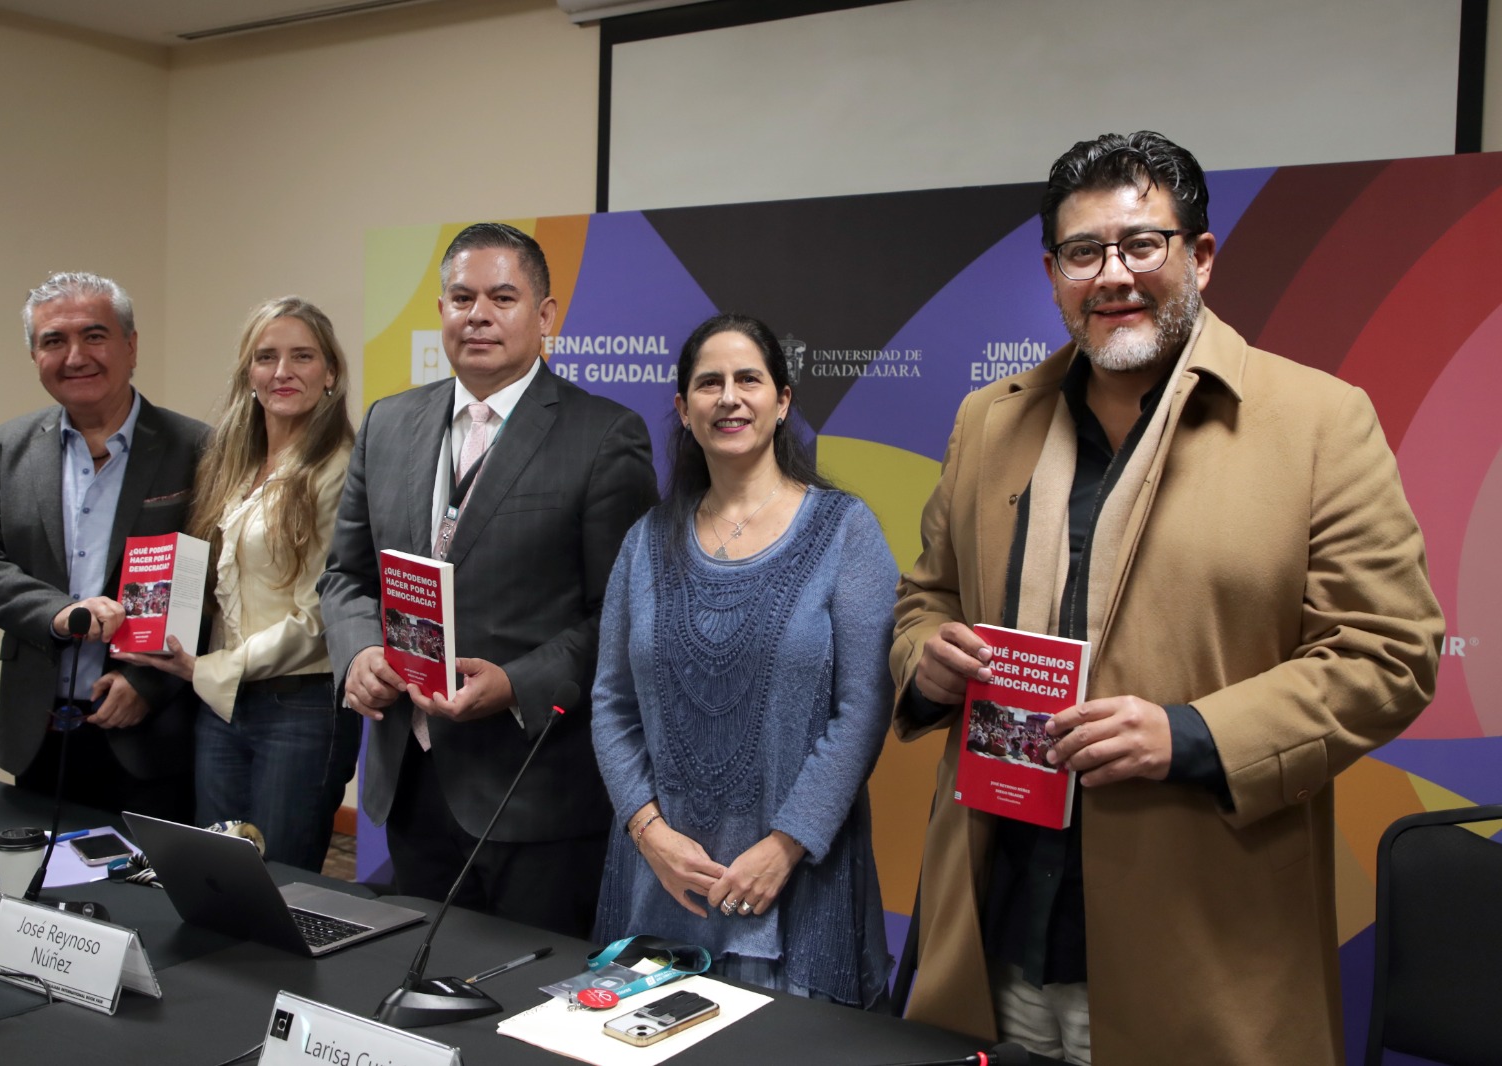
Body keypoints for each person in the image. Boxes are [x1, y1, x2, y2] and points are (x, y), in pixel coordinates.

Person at [890, 132, 1442, 1064]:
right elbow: (923, 600)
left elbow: (1390, 652)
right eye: (1083, 252)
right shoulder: (989, 420)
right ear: (1053, 271)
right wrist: (927, 656)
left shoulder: (1318, 422)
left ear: (1202, 255)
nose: (1113, 275)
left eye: (1142, 243)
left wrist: (1189, 735)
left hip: (1201, 944)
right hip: (998, 931)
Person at [318, 222, 658, 937]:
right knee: (418, 991)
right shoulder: (388, 423)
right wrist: (358, 654)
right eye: (461, 297)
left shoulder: (603, 436)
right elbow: (346, 577)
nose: (478, 314)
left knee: (523, 1014)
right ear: (439, 310)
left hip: (534, 790)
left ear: (545, 316)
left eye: (502, 297)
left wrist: (517, 685)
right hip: (411, 781)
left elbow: (622, 616)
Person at [592, 313, 895, 1008]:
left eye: (748, 380)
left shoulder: (846, 531)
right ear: (683, 409)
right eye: (709, 384)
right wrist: (650, 832)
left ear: (782, 401)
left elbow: (864, 709)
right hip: (658, 881)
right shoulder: (645, 541)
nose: (729, 398)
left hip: (796, 888)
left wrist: (786, 844)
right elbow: (610, 702)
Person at [0, 272, 208, 819]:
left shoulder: (196, 448)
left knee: (145, 896)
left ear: (130, 345)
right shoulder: (8, 447)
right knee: (37, 891)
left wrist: (147, 684)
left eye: (94, 336)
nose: (75, 357)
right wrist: (63, 613)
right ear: (35, 355)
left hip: (150, 732)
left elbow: (214, 585)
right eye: (53, 341)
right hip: (38, 724)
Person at [115, 297, 357, 871]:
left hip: (301, 706)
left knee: (281, 882)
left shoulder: (341, 466)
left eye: (302, 356)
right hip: (220, 706)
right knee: (216, 874)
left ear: (331, 373)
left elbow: (323, 614)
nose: (282, 371)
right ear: (248, 373)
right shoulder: (230, 462)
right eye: (266, 357)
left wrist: (209, 669)